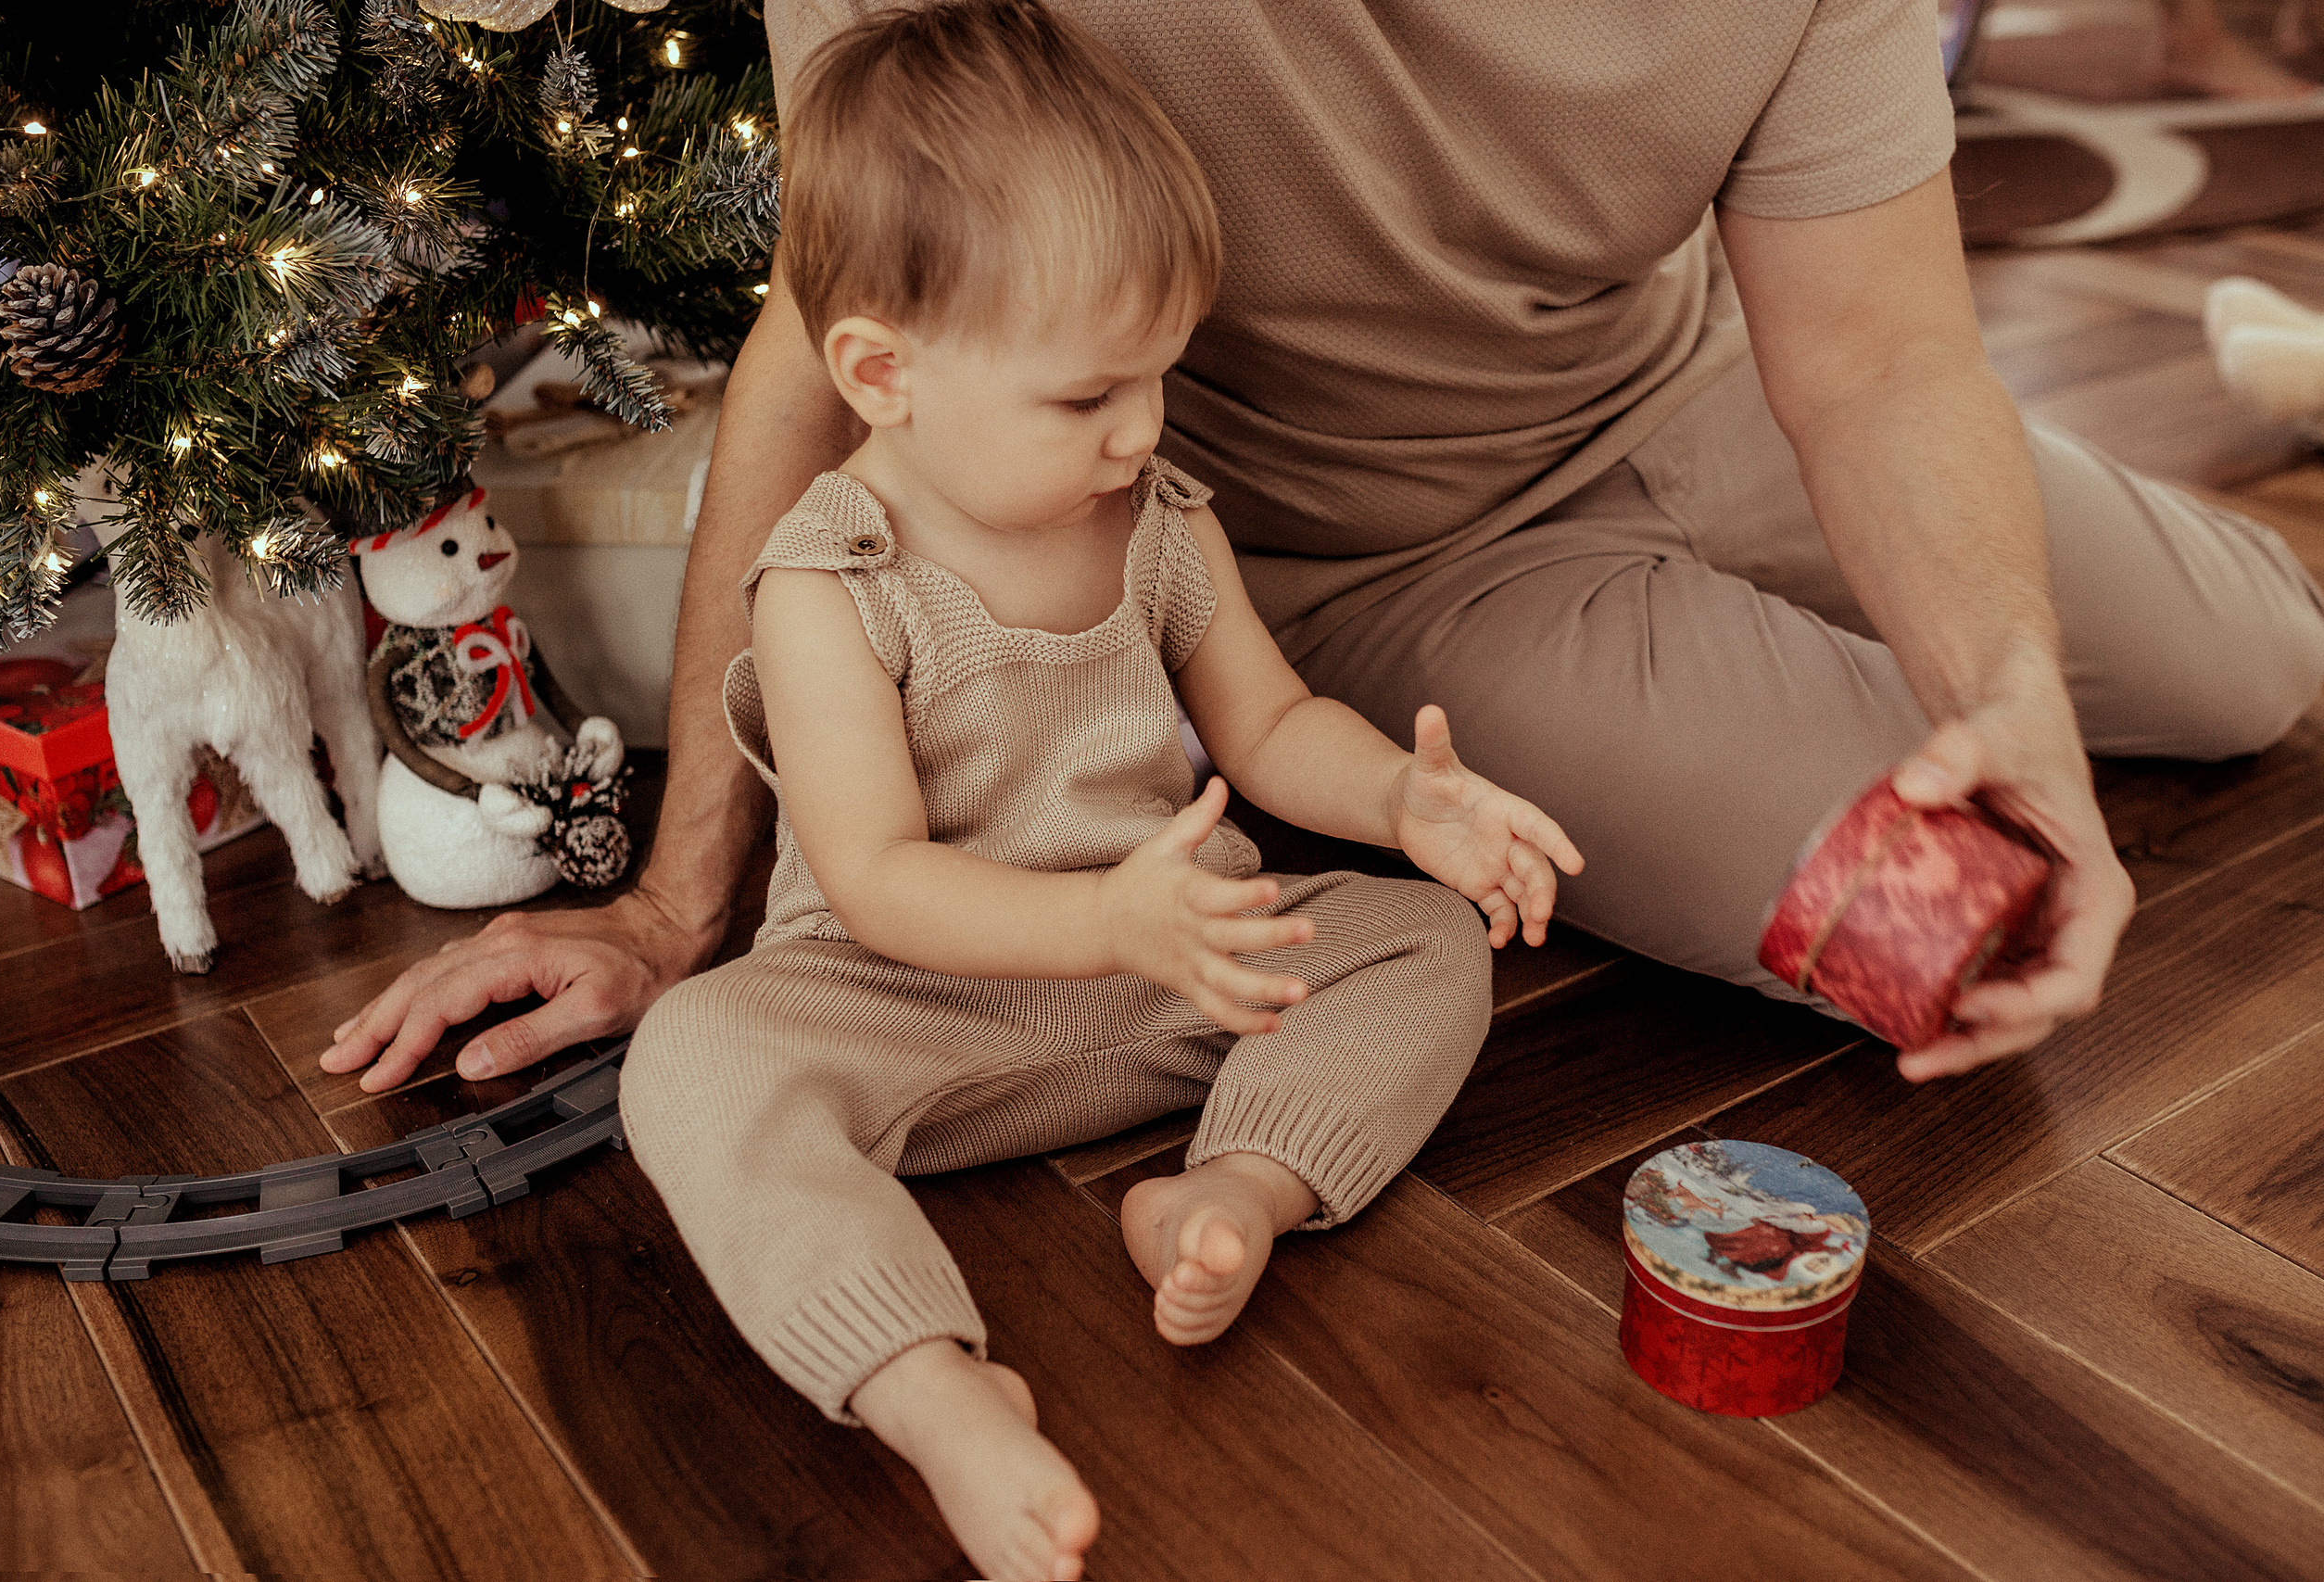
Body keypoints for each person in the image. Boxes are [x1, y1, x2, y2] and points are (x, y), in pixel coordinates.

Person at [322, 0, 2324, 1095]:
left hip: (1714, 379)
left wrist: (2000, 689)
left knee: (2254, 670)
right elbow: (839, 337)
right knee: (1947, 921)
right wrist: (683, 906)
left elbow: (1881, 356)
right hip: (1385, 576)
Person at [602, 7, 1580, 1576]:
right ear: (882, 373)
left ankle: (1236, 1190)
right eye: (1085, 398)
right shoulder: (827, 581)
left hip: (1165, 985)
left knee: (1421, 942)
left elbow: (1267, 723)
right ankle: (932, 1389)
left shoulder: (1158, 518)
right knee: (694, 1064)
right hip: (902, 1003)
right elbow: (876, 878)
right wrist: (1110, 921)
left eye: (1161, 380)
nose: (1140, 429)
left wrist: (1406, 801)